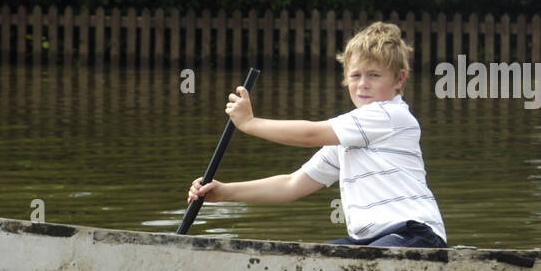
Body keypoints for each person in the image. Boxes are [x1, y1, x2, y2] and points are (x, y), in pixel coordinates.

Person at [186, 21, 447, 248]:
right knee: (308, 260)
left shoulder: (390, 115)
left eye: (374, 75)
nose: (363, 84)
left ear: (399, 80)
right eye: (355, 75)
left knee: (351, 263)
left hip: (414, 234)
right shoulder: (348, 139)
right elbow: (291, 184)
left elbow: (311, 133)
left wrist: (251, 124)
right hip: (370, 241)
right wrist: (224, 192)